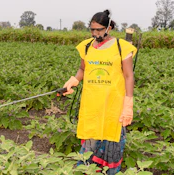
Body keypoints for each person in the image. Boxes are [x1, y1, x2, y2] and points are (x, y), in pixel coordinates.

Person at [62, 10, 137, 174]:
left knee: (112, 140)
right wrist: (73, 81)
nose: (95, 33)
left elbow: (128, 76)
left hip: (113, 105)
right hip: (91, 104)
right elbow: (82, 69)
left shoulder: (122, 47)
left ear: (109, 28)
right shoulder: (87, 46)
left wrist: (128, 103)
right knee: (90, 142)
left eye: (99, 30)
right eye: (92, 30)